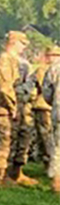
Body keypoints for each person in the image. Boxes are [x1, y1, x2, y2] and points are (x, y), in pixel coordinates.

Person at [0, 31, 36, 186]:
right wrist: (12, 105)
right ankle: (2, 176)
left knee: (22, 140)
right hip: (7, 108)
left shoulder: (16, 61)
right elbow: (4, 87)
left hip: (20, 107)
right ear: (13, 42)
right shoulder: (4, 59)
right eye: (22, 43)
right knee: (6, 142)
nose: (24, 47)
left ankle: (16, 173)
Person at [29, 48, 55, 172]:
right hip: (45, 106)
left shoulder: (42, 70)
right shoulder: (43, 70)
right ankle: (49, 163)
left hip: (43, 106)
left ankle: (48, 162)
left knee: (44, 136)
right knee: (47, 136)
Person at [40, 46, 60, 193]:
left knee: (58, 147)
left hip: (58, 111)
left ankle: (57, 181)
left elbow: (46, 92)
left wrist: (54, 103)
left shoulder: (53, 69)